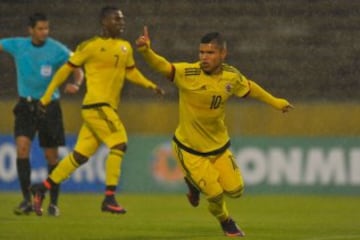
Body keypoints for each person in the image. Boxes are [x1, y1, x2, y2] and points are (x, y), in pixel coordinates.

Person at [136, 27, 293, 237]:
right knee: (216, 194)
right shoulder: (188, 74)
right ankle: (226, 221)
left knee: (236, 191)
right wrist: (146, 51)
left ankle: (193, 183)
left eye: (210, 53)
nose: (204, 57)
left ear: (222, 54)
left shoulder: (231, 76)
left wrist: (276, 102)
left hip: (219, 147)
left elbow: (250, 87)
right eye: (201, 52)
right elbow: (162, 66)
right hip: (190, 149)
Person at [30, 6, 164, 216]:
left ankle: (42, 188)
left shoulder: (125, 47)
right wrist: (46, 98)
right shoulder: (90, 46)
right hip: (96, 106)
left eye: (122, 20)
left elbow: (131, 72)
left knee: (79, 156)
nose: (122, 23)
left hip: (105, 108)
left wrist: (150, 85)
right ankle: (109, 197)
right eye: (117, 20)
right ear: (104, 22)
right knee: (119, 143)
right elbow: (64, 71)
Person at [0, 12, 84, 216]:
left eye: (46, 28)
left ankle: (53, 203)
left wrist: (76, 83)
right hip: (25, 106)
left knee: (51, 156)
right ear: (31, 30)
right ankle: (26, 200)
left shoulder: (57, 49)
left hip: (49, 106)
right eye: (40, 29)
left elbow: (77, 66)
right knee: (22, 148)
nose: (44, 32)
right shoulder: (18, 45)